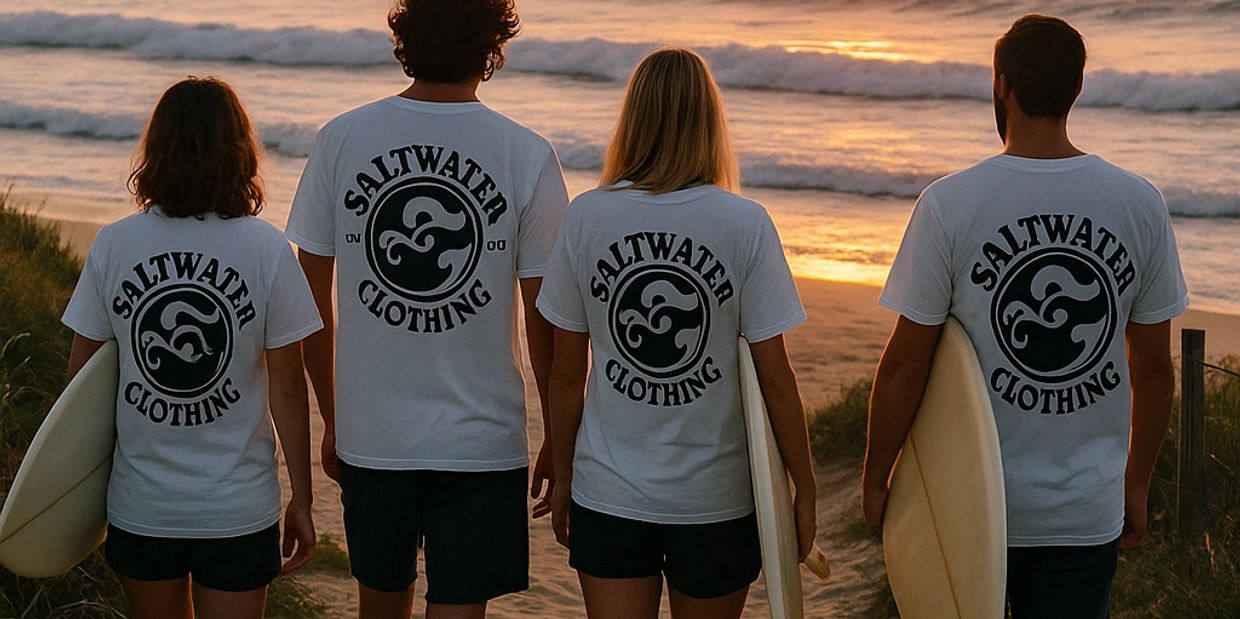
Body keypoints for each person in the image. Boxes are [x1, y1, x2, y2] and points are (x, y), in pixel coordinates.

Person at [863, 14, 1188, 619]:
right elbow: (1152, 372)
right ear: (1077, 88)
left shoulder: (950, 204)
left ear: (1002, 86)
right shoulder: (1139, 203)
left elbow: (907, 363)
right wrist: (1135, 485)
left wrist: (877, 478)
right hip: (1084, 509)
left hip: (969, 504)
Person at [284, 0, 569, 617]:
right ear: (492, 45)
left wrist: (337, 415)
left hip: (373, 434)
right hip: (482, 441)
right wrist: (557, 432)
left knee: (380, 605)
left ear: (406, 38)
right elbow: (546, 320)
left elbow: (309, 304)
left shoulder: (342, 138)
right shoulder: (525, 152)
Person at [536, 48, 818, 619]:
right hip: (715, 501)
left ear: (632, 119)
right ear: (710, 122)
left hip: (608, 494)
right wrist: (804, 487)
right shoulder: (744, 223)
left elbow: (567, 375)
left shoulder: (586, 217)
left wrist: (565, 476)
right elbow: (776, 378)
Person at [60, 77, 321, 619]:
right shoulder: (266, 249)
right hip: (237, 508)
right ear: (240, 152)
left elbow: (79, 384)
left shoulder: (115, 243)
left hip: (141, 503)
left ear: (157, 150)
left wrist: (69, 492)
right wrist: (302, 497)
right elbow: (289, 389)